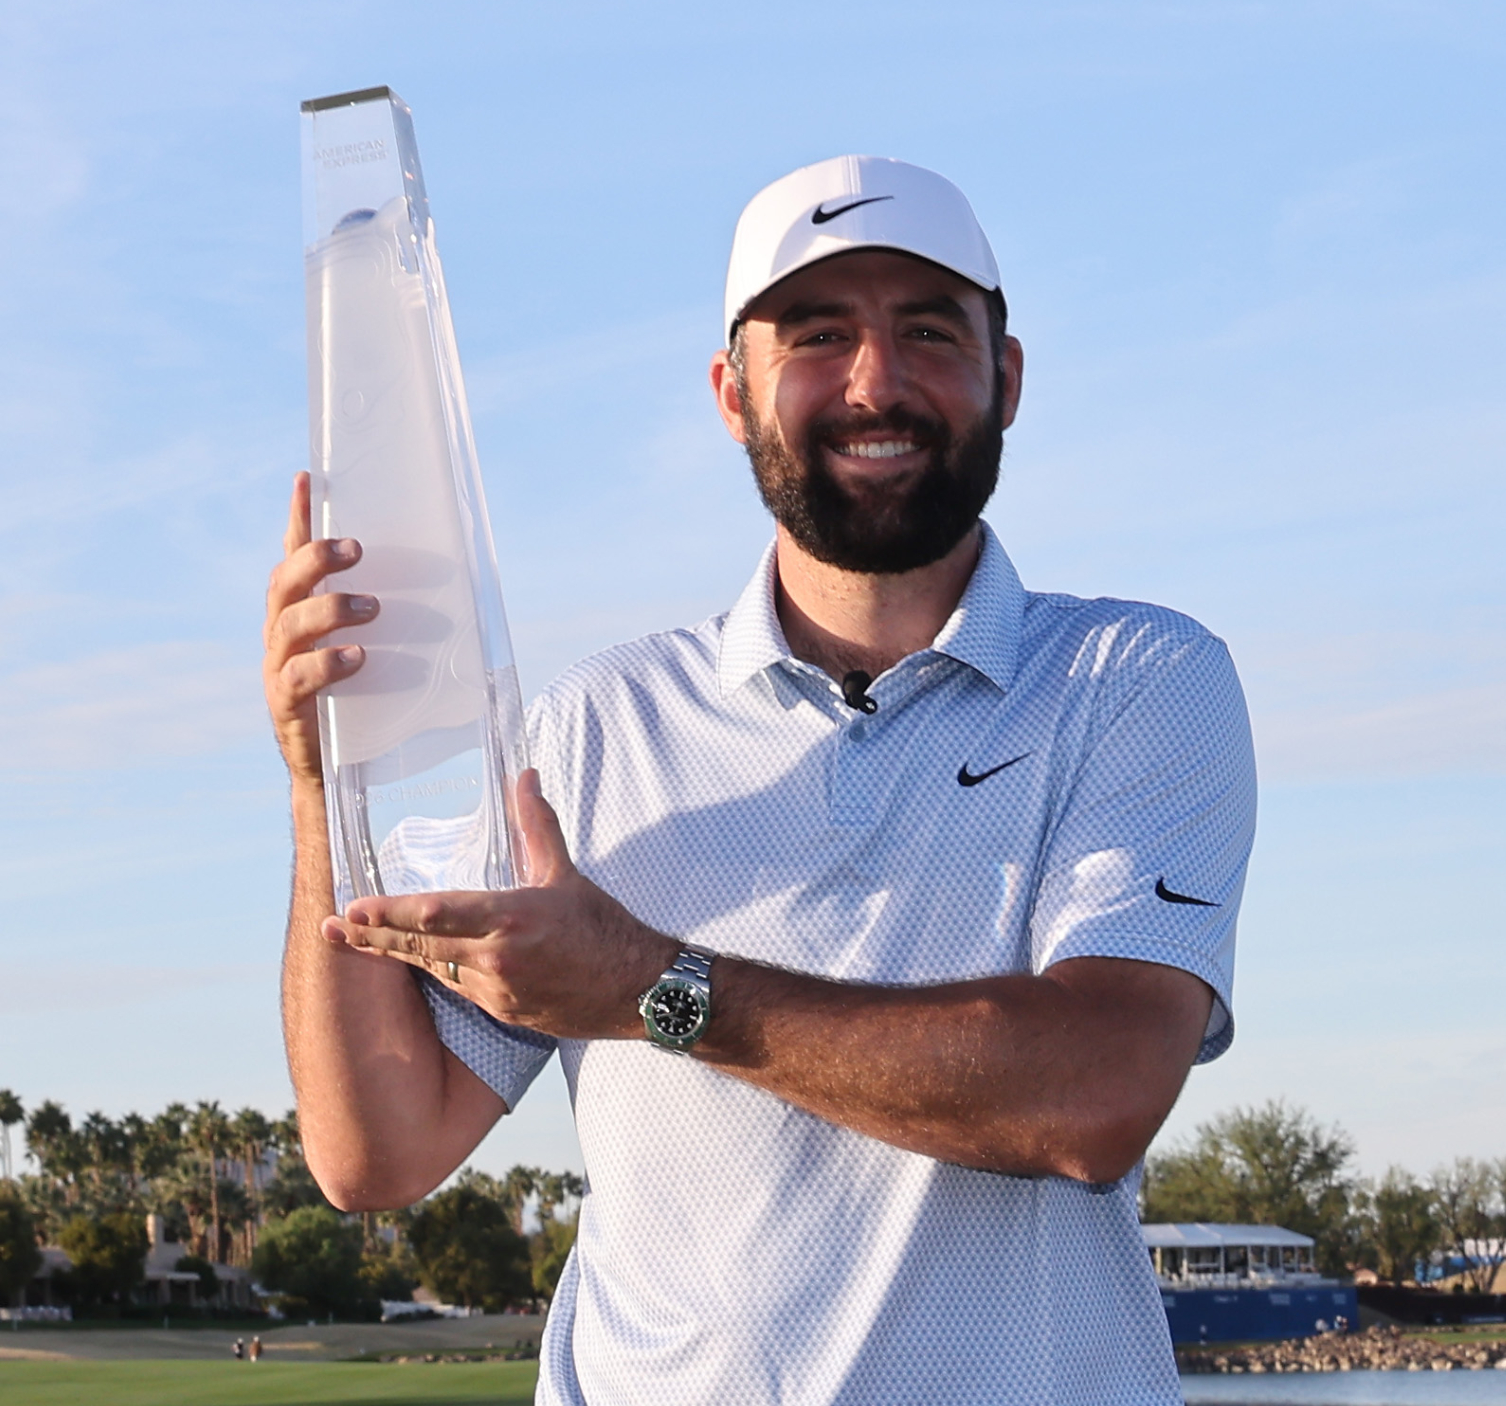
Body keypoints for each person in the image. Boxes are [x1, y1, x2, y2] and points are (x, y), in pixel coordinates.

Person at [266, 155, 1255, 1404]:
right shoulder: (597, 727)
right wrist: (319, 782)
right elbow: (377, 1146)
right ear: (732, 393)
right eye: (819, 334)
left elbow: (1093, 1092)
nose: (875, 382)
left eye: (930, 331)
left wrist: (651, 985)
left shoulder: (1132, 678)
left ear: (1007, 379)